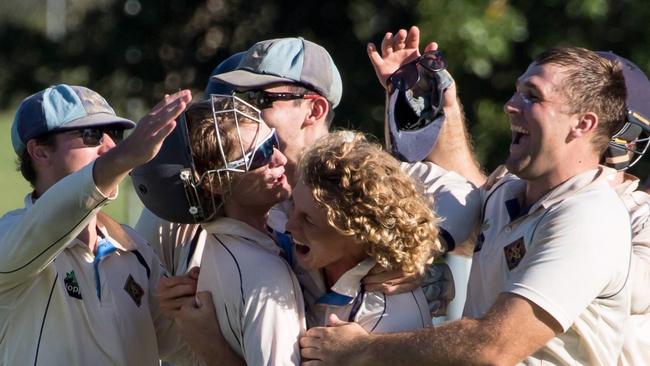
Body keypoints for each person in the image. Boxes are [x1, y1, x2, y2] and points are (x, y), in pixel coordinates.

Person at [299, 28, 632, 366]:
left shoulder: (590, 216)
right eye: (517, 91)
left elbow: (493, 347)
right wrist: (430, 97)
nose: (510, 105)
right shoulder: (512, 191)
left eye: (533, 96)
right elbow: (463, 182)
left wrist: (361, 349)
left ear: (583, 123)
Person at [0, 84, 197, 364]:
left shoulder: (135, 249)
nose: (110, 146)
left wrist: (191, 309)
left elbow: (182, 350)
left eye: (115, 135)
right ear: (40, 152)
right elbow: (55, 217)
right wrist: (125, 156)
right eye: (91, 135)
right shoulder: (9, 239)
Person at [175, 96, 305, 365]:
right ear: (218, 184)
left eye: (272, 141)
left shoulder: (263, 236)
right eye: (259, 155)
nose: (279, 158)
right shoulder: (263, 273)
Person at [286, 131, 442, 331]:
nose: (288, 226)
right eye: (292, 205)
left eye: (308, 220)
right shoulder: (302, 253)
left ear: (358, 233)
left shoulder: (389, 316)